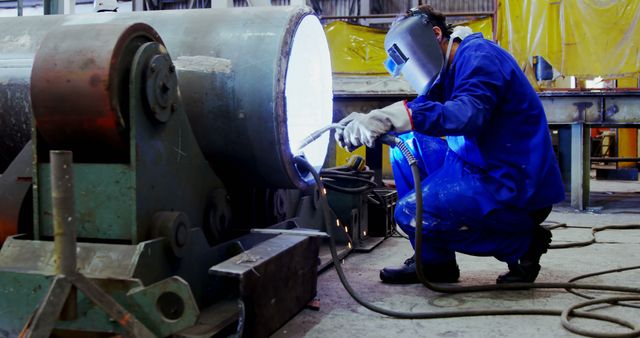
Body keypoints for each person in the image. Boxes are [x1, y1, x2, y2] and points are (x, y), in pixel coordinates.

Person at [335, 5, 565, 284]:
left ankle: (522, 242)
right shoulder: (451, 67)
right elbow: (423, 106)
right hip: (478, 163)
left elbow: (467, 113)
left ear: (436, 35)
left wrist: (398, 115)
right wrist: (371, 120)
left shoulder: (480, 57)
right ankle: (435, 263)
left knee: (409, 212)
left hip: (512, 183)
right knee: (405, 143)